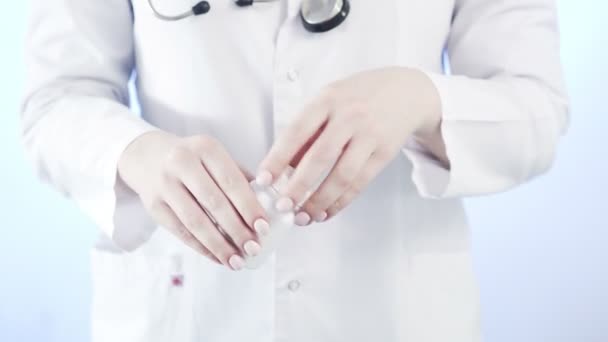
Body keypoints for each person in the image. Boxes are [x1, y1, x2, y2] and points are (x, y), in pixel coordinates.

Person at [21, 0, 568, 341]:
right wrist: (137, 154)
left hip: (394, 312)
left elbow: (536, 108)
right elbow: (56, 101)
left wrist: (420, 97)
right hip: (186, 309)